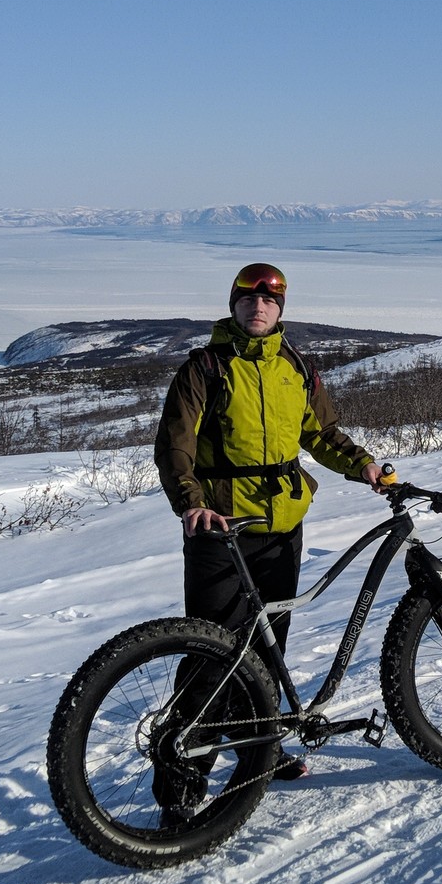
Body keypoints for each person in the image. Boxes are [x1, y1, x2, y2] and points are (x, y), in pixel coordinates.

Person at [151, 261, 389, 796]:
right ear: (234, 304)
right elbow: (175, 446)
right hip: (221, 526)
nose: (259, 307)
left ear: (281, 309)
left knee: (266, 650)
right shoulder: (205, 367)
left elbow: (321, 434)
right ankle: (182, 780)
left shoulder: (294, 367)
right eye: (249, 299)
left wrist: (364, 465)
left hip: (283, 525)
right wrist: (191, 504)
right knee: (211, 654)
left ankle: (259, 749)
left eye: (270, 301)